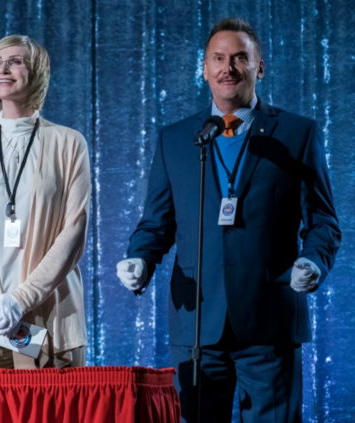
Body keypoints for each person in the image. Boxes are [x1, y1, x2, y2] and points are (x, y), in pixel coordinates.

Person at [116, 17, 340, 422]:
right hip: (197, 322)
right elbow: (156, 223)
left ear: (260, 67)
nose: (228, 68)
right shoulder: (176, 139)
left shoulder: (297, 133)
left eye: (239, 58)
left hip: (270, 319)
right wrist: (140, 258)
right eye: (218, 59)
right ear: (204, 69)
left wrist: (312, 261)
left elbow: (323, 220)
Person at [0, 35, 91, 369]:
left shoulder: (69, 143)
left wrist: (20, 300)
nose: (3, 69)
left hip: (49, 318)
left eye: (16, 61)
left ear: (37, 72)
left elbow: (74, 231)